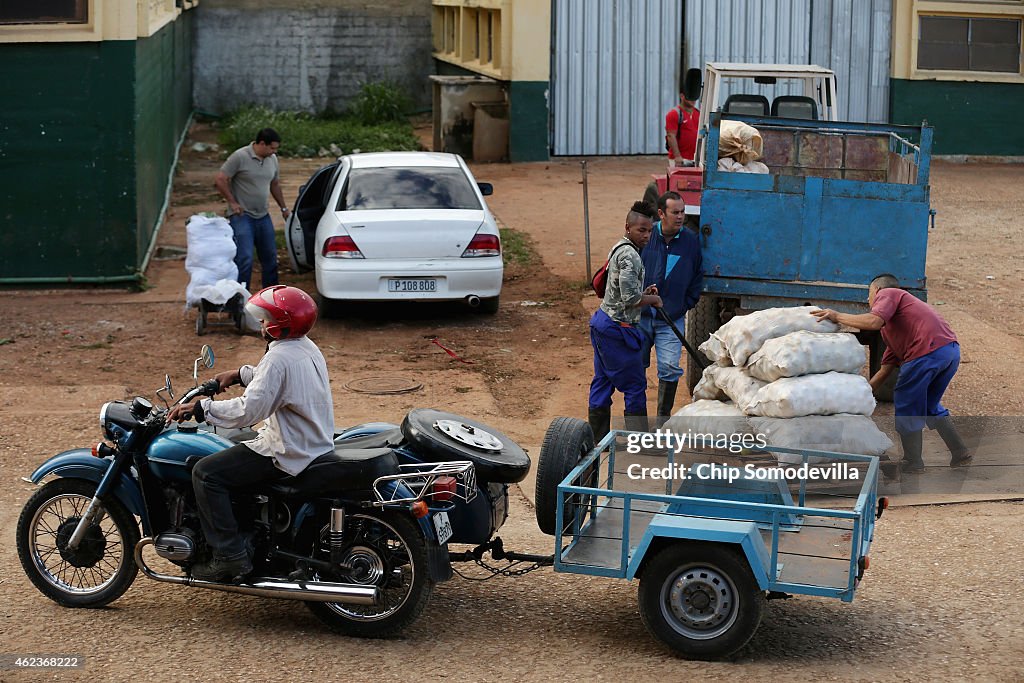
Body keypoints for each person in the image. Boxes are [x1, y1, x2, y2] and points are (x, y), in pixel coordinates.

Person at [166, 285, 334, 581]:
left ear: (279, 325)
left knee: (206, 473)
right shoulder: (306, 347)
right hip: (311, 442)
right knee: (235, 452)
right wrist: (240, 374)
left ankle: (229, 557)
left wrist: (202, 408)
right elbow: (276, 383)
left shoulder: (279, 357)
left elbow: (248, 411)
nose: (261, 324)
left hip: (287, 450)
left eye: (265, 319)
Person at [811, 274, 971, 473]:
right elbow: (885, 369)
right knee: (928, 404)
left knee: (905, 400)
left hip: (926, 352)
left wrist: (837, 316)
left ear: (877, 290)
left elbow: (874, 321)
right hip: (949, 352)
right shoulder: (895, 329)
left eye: (869, 294)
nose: (869, 301)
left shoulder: (889, 292)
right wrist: (858, 396)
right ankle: (960, 452)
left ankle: (913, 462)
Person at [588, 201, 663, 442]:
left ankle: (596, 442)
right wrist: (653, 299)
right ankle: (638, 442)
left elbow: (621, 287)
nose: (647, 235)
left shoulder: (619, 247)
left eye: (650, 230)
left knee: (602, 381)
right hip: (616, 328)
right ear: (628, 227)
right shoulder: (631, 254)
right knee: (634, 385)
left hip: (602, 322)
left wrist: (645, 291)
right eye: (641, 230)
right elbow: (630, 298)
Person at [639, 191, 703, 423]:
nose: (680, 217)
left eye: (683, 212)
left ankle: (661, 423)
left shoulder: (690, 241)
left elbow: (697, 277)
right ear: (660, 214)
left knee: (668, 366)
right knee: (636, 367)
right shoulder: (645, 236)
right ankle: (636, 423)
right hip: (641, 316)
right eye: (675, 212)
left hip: (671, 318)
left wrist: (685, 304)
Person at [215, 128, 291, 291]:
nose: (274, 152)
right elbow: (221, 179)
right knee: (245, 258)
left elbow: (275, 184)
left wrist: (283, 208)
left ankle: (271, 297)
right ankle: (241, 297)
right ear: (261, 143)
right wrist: (232, 202)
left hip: (263, 215)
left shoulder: (273, 159)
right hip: (242, 216)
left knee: (270, 257)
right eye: (272, 148)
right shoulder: (240, 157)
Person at [665, 91, 700, 167]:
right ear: (682, 96)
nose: (693, 100)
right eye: (690, 97)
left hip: (695, 159)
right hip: (680, 159)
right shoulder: (674, 114)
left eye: (694, 97)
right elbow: (671, 136)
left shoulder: (698, 113)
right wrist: (677, 156)